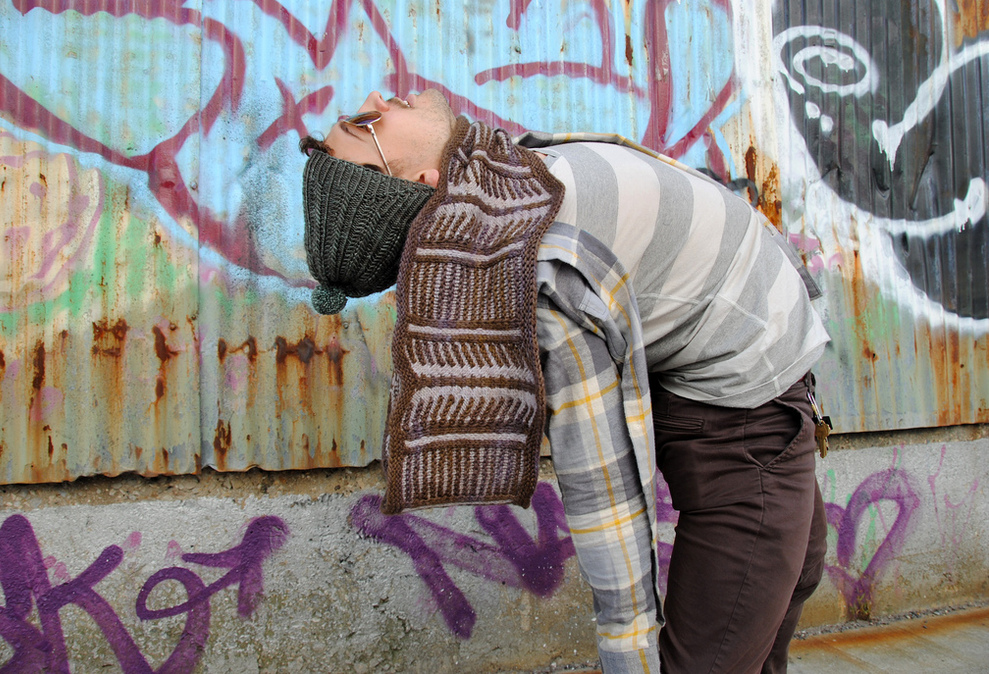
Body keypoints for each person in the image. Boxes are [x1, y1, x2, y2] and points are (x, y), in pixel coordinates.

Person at [300, 89, 830, 674]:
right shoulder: (539, 269)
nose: (376, 97)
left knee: (795, 577)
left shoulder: (499, 176)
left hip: (761, 373)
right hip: (742, 418)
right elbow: (603, 484)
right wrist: (630, 651)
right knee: (722, 649)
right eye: (366, 122)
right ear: (423, 181)